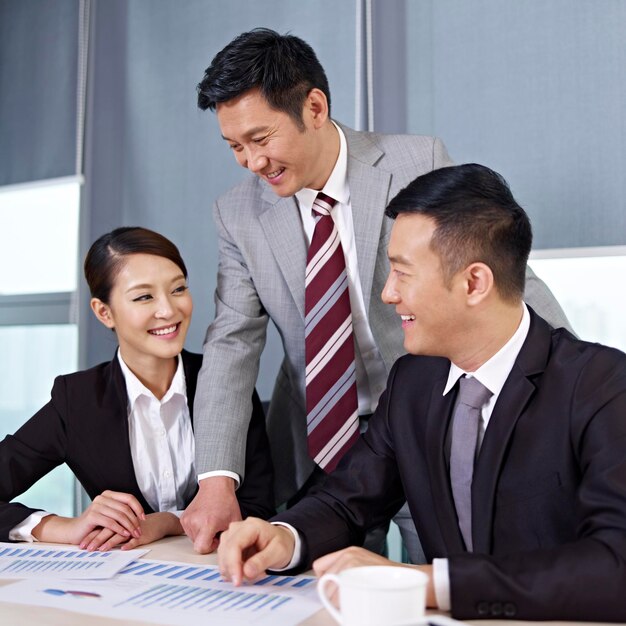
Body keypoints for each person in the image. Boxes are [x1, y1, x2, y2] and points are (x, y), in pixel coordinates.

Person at [182, 28, 572, 556]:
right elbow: (232, 342)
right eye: (234, 146)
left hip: (422, 419)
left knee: (436, 574)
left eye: (261, 139)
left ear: (314, 107)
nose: (251, 162)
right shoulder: (238, 212)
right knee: (309, 578)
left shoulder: (415, 161)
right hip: (315, 439)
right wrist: (216, 479)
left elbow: (500, 274)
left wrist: (576, 389)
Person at [216, 164, 626, 622]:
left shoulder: (603, 386)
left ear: (474, 283)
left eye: (402, 272)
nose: (388, 294)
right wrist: (284, 537)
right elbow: (347, 499)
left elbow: (615, 565)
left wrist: (426, 582)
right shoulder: (413, 382)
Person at [0, 227, 274, 549]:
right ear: (104, 312)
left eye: (178, 289)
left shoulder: (225, 383)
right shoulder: (77, 400)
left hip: (216, 575)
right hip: (122, 585)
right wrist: (64, 527)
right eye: (144, 296)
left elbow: (259, 507)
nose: (169, 311)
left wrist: (167, 523)